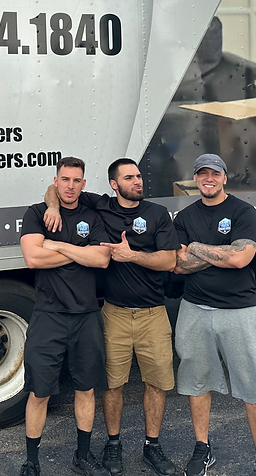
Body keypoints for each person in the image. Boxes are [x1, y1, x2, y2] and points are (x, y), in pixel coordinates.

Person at [44, 159, 179, 476]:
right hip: (114, 313)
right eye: (129, 177)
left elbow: (170, 260)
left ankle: (152, 446)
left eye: (139, 176)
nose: (138, 181)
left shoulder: (157, 214)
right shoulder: (100, 205)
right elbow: (57, 188)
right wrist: (51, 208)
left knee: (157, 383)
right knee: (113, 384)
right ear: (113, 185)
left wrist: (131, 255)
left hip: (153, 314)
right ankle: (113, 443)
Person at [173, 153, 256, 476]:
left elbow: (240, 258)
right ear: (195, 179)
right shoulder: (184, 217)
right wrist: (220, 250)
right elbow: (177, 264)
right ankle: (202, 448)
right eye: (202, 174)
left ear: (224, 178)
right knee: (197, 381)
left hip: (239, 311)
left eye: (214, 174)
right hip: (195, 309)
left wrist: (196, 248)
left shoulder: (243, 212)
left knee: (254, 387)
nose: (209, 179)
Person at [19, 157, 111, 476]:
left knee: (86, 389)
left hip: (86, 315)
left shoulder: (92, 212)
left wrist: (56, 246)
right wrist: (78, 252)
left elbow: (101, 259)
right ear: (55, 181)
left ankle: (82, 457)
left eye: (76, 180)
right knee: (39, 392)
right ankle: (32, 461)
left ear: (84, 184)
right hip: (49, 315)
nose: (70, 185)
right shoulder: (37, 213)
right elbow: (32, 257)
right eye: (65, 179)